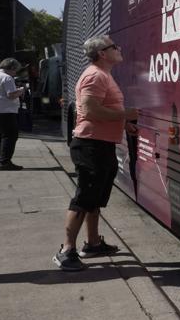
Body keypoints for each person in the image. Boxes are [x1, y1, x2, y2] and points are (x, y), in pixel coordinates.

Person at [53, 35, 139, 272]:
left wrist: (123, 124)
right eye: (114, 46)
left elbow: (103, 108)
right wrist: (125, 115)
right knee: (85, 197)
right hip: (90, 145)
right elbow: (91, 110)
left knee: (95, 198)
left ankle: (92, 243)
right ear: (102, 53)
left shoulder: (103, 74)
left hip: (101, 143)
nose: (119, 48)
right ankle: (66, 251)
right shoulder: (95, 75)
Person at [0, 58, 27, 171]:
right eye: (15, 70)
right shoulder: (7, 78)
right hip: (4, 111)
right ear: (12, 68)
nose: (15, 73)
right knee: (10, 136)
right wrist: (22, 90)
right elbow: (11, 95)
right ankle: (4, 162)